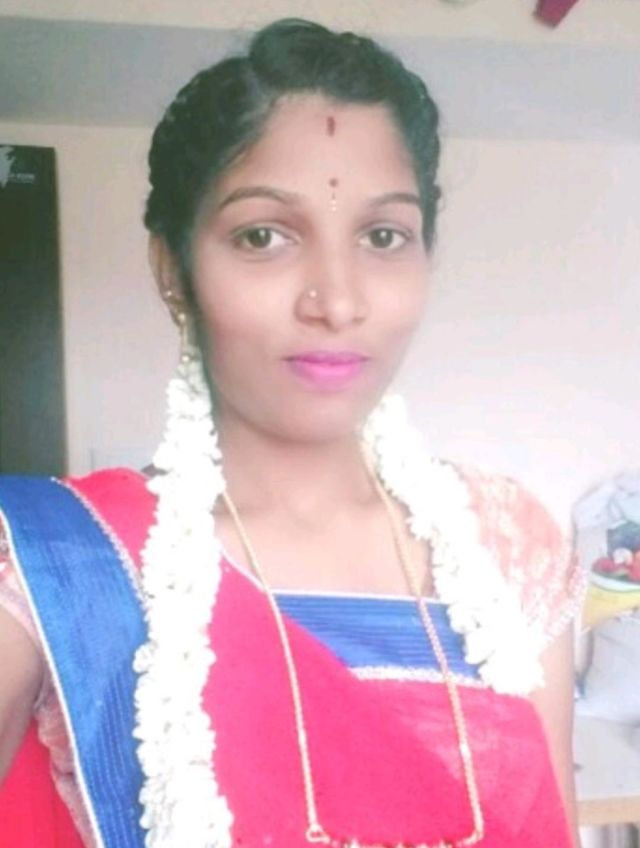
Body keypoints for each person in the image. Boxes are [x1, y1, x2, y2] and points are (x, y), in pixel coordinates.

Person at [0, 18, 585, 848]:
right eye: (264, 236)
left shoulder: (507, 547)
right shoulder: (59, 563)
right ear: (173, 269)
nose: (337, 302)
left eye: (383, 237)